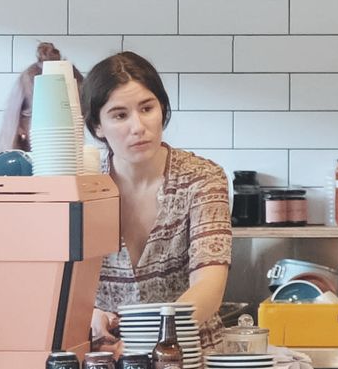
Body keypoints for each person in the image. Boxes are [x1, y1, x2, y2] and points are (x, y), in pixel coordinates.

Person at [83, 52, 231, 344]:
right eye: (120, 115)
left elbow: (209, 287)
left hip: (190, 364)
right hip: (108, 365)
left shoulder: (202, 179)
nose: (138, 126)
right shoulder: (83, 187)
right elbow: (60, 286)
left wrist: (147, 341)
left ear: (162, 108)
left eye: (147, 108)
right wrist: (88, 314)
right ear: (97, 126)